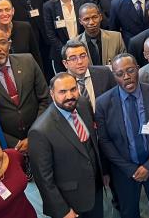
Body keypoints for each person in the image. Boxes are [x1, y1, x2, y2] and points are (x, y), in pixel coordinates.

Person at [95, 53, 149, 218]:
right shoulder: (103, 103)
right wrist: (130, 169)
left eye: (130, 71)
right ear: (114, 76)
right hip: (124, 171)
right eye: (120, 74)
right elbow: (105, 141)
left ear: (138, 69)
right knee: (129, 212)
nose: (127, 77)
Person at [28, 73, 105, 218]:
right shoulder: (40, 131)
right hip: (71, 200)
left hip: (95, 187)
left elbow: (92, 144)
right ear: (52, 93)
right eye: (62, 92)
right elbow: (44, 179)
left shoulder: (81, 103)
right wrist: (62, 210)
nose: (69, 96)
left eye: (73, 89)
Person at [0, 28, 50, 151]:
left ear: (9, 44)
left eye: (2, 42)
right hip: (8, 147)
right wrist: (15, 143)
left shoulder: (28, 61)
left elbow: (45, 99)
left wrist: (34, 134)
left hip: (41, 134)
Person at [43, 0, 88, 71]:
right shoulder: (48, 7)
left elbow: (88, 26)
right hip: (61, 56)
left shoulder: (84, 0)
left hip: (84, 52)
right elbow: (50, 34)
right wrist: (66, 52)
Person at [61, 40, 116, 111]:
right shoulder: (61, 85)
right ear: (65, 63)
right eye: (73, 59)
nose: (80, 62)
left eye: (83, 56)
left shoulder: (105, 73)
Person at [0, 0, 43, 70]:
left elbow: (36, 57)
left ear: (13, 11)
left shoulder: (25, 27)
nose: (4, 14)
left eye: (7, 10)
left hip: (28, 75)